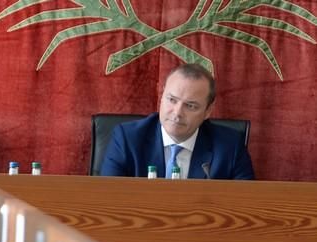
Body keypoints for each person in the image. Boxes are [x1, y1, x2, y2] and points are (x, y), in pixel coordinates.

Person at [100, 63, 255, 179]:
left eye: (190, 106)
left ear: (208, 111)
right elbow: (107, 199)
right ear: (161, 97)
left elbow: (246, 208)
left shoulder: (230, 147)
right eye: (172, 100)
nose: (177, 112)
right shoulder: (127, 139)